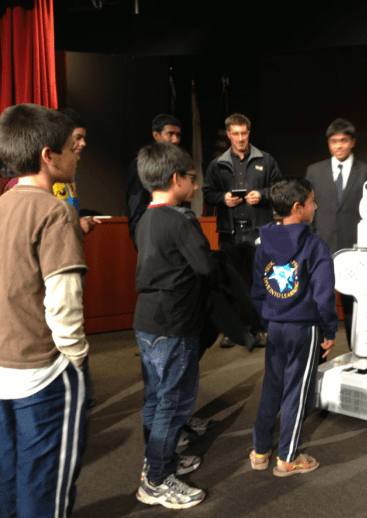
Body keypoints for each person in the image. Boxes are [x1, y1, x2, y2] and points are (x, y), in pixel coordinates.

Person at [0, 104, 89, 517]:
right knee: (44, 484)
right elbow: (63, 300)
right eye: (71, 147)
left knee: (8, 473)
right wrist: (75, 358)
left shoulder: (2, 204)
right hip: (43, 371)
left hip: (3, 366)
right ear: (47, 156)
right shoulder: (55, 211)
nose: (77, 154)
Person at [133, 142, 213, 509]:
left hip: (147, 321)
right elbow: (206, 267)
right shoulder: (182, 220)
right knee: (174, 403)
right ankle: (157, 480)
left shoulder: (145, 217)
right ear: (176, 178)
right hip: (175, 323)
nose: (195, 185)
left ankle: (157, 461)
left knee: (155, 397)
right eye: (192, 178)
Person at [249, 178, 337, 476]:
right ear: (298, 207)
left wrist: (268, 321)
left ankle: (260, 450)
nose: (315, 206)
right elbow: (324, 295)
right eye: (312, 202)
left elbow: (257, 290)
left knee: (272, 387)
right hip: (304, 328)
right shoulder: (315, 245)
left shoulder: (263, 242)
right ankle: (288, 458)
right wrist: (329, 331)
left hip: (275, 325)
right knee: (297, 393)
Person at [202, 113, 282, 345]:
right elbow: (207, 193)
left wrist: (263, 195)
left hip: (259, 232)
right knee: (229, 283)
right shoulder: (217, 164)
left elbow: (279, 188)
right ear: (228, 134)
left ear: (249, 132)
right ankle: (232, 331)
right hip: (230, 233)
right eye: (235, 134)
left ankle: (259, 329)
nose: (240, 138)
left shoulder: (266, 160)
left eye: (244, 133)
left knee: (261, 282)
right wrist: (223, 199)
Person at [305, 118, 367, 348]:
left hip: (355, 250)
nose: (339, 146)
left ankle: (358, 353)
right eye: (334, 141)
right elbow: (308, 210)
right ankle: (316, 354)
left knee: (354, 305)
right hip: (321, 248)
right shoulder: (314, 171)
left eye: (344, 141)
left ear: (352, 142)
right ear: (328, 143)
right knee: (318, 303)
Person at [126, 114, 182, 245]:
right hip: (151, 237)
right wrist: (143, 243)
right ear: (156, 135)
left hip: (176, 235)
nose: (175, 140)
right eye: (170, 134)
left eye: (178, 135)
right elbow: (135, 209)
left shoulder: (179, 165)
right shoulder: (140, 164)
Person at [54, 109, 101, 235]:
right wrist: (76, 225)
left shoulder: (71, 170)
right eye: (78, 138)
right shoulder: (45, 171)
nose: (83, 143)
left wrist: (81, 221)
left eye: (83, 138)